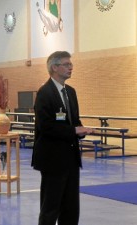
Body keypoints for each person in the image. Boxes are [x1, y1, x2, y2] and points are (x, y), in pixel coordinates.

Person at [31, 51, 93, 225]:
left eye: (71, 64)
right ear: (54, 67)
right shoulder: (44, 93)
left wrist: (81, 130)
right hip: (52, 159)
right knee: (51, 208)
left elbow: (74, 121)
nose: (71, 67)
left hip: (71, 159)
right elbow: (46, 127)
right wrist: (73, 131)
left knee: (71, 208)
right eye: (66, 64)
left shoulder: (71, 92)